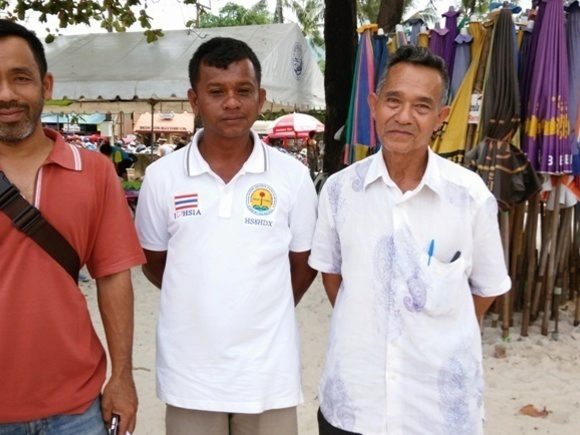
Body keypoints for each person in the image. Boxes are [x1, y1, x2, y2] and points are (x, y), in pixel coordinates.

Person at [309, 45, 511, 435]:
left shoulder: (470, 196)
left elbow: (484, 292)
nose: (404, 117)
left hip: (438, 412)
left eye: (422, 106)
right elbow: (333, 278)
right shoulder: (339, 191)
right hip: (354, 404)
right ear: (373, 104)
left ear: (441, 117)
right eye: (393, 100)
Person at [135, 37, 318, 435]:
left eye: (243, 91)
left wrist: (257, 308)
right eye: (216, 91)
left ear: (262, 98)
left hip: (268, 375)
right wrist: (202, 298)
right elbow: (155, 262)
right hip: (192, 376)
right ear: (194, 100)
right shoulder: (162, 177)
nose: (231, 102)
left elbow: (302, 268)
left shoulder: (292, 177)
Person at [0, 20, 145, 435]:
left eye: (20, 78)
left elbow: (114, 277)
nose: (6, 94)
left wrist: (122, 377)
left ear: (46, 85)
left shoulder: (94, 172)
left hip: (76, 411)